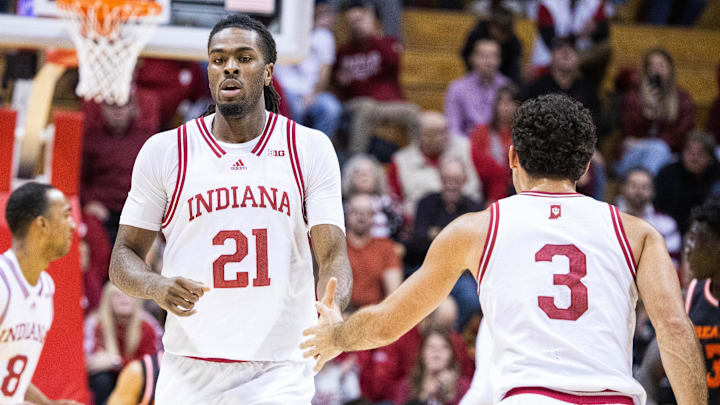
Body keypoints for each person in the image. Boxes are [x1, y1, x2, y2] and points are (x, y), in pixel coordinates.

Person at [302, 94, 706, 404]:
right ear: (586, 168)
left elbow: (390, 321)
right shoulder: (636, 233)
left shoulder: (476, 229)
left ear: (513, 156)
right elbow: (674, 331)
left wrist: (337, 336)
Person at [109, 14, 353, 403]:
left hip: (279, 367)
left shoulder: (308, 148)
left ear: (269, 71)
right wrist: (155, 286)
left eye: (244, 57)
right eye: (218, 59)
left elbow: (332, 254)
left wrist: (332, 308)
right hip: (189, 365)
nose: (230, 67)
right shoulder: (166, 151)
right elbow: (123, 257)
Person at [1, 182, 80, 404]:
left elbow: (9, 373)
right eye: (66, 215)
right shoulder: (2, 283)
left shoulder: (46, 287)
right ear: (41, 225)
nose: (73, 226)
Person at [636, 197, 720, 404]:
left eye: (697, 240)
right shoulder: (689, 299)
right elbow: (647, 374)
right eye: (687, 240)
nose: (688, 250)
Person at [618, 47, 695, 176]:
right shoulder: (634, 97)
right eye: (651, 66)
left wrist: (647, 142)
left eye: (661, 65)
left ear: (670, 69)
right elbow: (628, 133)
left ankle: (646, 190)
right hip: (634, 155)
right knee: (658, 150)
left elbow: (680, 136)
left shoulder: (683, 99)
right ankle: (647, 190)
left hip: (670, 155)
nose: (656, 70)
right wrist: (648, 111)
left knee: (659, 149)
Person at [84, 283, 161, 404]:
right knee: (100, 379)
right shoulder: (95, 323)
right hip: (108, 380)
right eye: (117, 296)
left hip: (138, 377)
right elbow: (92, 362)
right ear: (107, 300)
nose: (124, 299)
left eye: (129, 295)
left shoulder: (148, 325)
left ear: (137, 299)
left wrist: (116, 361)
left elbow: (151, 363)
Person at [345, 193, 402, 309]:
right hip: (340, 314)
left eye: (366, 213)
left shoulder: (386, 247)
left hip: (375, 314)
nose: (361, 217)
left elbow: (394, 295)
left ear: (373, 217)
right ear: (346, 215)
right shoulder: (336, 246)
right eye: (356, 212)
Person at [444, 36, 509, 138]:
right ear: (472, 58)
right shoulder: (457, 88)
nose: (489, 61)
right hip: (466, 145)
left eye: (494, 56)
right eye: (483, 56)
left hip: (498, 145)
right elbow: (453, 128)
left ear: (500, 60)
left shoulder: (507, 86)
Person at [615, 167, 681, 266]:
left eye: (645, 187)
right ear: (623, 188)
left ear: (653, 192)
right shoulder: (609, 217)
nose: (639, 191)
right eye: (633, 185)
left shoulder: (666, 223)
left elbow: (672, 262)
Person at [393, 327, 472, 405]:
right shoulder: (406, 387)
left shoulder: (464, 387)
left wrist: (450, 395)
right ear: (421, 353)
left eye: (444, 347)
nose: (437, 352)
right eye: (431, 347)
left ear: (452, 354)